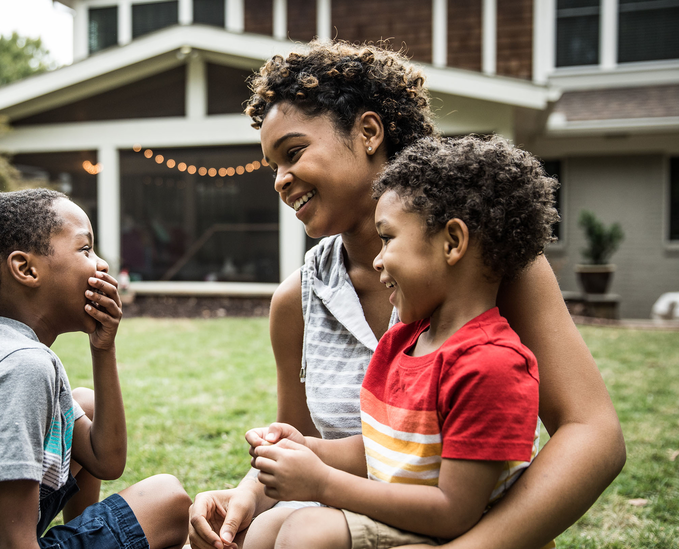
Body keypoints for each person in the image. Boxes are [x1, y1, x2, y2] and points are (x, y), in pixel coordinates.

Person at [188, 41, 625, 549]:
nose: (281, 180)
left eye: (293, 152)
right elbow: (308, 455)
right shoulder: (297, 301)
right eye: (272, 168)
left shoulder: (492, 265)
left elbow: (593, 435)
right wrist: (243, 497)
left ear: (369, 132)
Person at [241, 135, 559, 549]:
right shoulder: (403, 343)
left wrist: (323, 483)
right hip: (402, 515)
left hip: (455, 530)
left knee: (306, 533)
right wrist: (311, 449)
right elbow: (384, 447)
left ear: (453, 242)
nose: (376, 259)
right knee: (265, 529)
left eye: (388, 239)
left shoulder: (494, 367)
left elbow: (453, 510)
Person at [0, 189, 190, 549]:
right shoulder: (21, 366)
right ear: (26, 269)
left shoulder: (4, 348)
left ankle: (84, 531)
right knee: (168, 500)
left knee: (84, 403)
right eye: (85, 249)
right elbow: (13, 542)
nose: (101, 264)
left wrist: (104, 348)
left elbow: (107, 460)